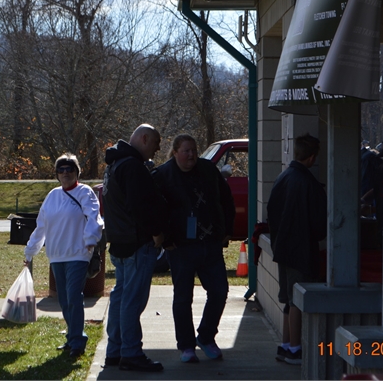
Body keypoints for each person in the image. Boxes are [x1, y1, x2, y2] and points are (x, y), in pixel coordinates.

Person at [151, 134, 235, 363]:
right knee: (182, 299)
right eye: (186, 150)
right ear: (175, 152)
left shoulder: (208, 170)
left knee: (219, 292)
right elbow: (153, 209)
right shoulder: (163, 175)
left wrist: (227, 229)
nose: (191, 155)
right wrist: (165, 238)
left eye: (194, 150)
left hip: (210, 244)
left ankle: (206, 337)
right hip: (180, 248)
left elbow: (226, 199)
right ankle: (186, 346)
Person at [23, 153, 103, 358]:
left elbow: (95, 217)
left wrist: (91, 240)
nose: (65, 173)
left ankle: (78, 341)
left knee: (74, 296)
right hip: (57, 255)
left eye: (70, 169)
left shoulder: (85, 192)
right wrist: (30, 250)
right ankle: (71, 337)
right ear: (57, 174)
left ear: (77, 172)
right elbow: (41, 225)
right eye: (61, 169)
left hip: (78, 253)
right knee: (65, 299)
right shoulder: (52, 196)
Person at [102, 124, 167, 372]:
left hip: (120, 242)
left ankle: (115, 351)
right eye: (156, 143)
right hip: (137, 244)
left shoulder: (114, 165)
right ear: (144, 138)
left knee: (120, 297)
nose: (158, 148)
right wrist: (156, 232)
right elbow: (141, 206)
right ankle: (130, 352)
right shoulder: (132, 166)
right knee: (132, 300)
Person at [267, 133, 327, 365]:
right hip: (301, 250)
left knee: (288, 299)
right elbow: (319, 222)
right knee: (297, 301)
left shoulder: (283, 177)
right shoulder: (307, 182)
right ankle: (295, 348)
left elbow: (272, 210)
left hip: (283, 248)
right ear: (311, 158)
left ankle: (285, 345)